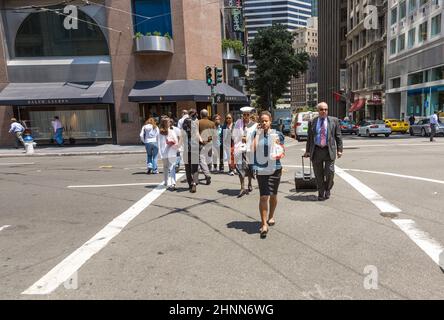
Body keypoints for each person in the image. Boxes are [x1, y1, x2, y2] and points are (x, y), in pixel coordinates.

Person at [253, 111, 285, 239]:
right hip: (261, 169)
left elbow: (280, 148)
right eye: (262, 121)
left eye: (266, 120)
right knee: (263, 197)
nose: (264, 123)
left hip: (275, 168)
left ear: (270, 121)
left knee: (273, 195)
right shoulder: (256, 134)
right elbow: (252, 149)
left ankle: (271, 215)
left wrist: (276, 141)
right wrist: (257, 134)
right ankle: (264, 223)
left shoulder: (277, 134)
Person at [304, 102, 343, 201]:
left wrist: (340, 150)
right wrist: (307, 151)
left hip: (329, 150)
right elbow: (309, 138)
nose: (324, 111)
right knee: (318, 174)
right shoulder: (312, 122)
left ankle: (328, 188)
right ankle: (321, 193)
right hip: (316, 150)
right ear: (318, 111)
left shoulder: (334, 121)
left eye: (325, 109)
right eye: (321, 109)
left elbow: (338, 136)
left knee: (330, 172)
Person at [233, 106, 258, 197]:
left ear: (250, 115)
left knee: (249, 168)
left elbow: (256, 137)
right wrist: (240, 138)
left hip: (249, 149)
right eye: (244, 115)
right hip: (240, 148)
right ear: (242, 115)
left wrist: (249, 140)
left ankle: (250, 183)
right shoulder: (238, 123)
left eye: (247, 114)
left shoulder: (254, 125)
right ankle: (242, 187)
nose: (246, 116)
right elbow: (234, 135)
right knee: (240, 168)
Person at [158, 117, 179, 190]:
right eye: (169, 122)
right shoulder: (172, 131)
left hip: (164, 152)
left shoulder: (160, 132)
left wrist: (160, 154)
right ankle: (173, 183)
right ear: (166, 123)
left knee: (165, 167)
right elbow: (176, 141)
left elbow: (159, 144)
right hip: (171, 151)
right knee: (172, 167)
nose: (170, 123)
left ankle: (166, 181)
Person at [182, 109, 200, 193]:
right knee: (195, 168)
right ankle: (194, 183)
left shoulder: (184, 122)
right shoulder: (195, 123)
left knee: (188, 168)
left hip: (187, 148)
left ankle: (191, 184)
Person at [198, 109, 216, 185]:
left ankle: (207, 174)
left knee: (201, 160)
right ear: (207, 114)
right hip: (210, 143)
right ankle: (207, 173)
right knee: (209, 159)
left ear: (201, 115)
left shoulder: (198, 122)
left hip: (201, 143)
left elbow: (196, 134)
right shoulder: (212, 123)